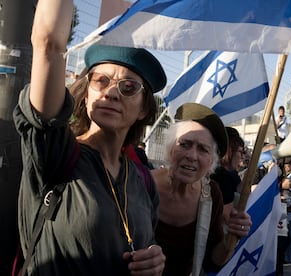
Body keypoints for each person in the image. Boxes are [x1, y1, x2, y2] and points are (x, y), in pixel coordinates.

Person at [13, 0, 166, 274]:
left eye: (128, 86)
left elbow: (147, 242)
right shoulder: (56, 153)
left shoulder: (144, 181)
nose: (111, 92)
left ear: (144, 108)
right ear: (87, 95)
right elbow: (49, 43)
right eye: (101, 80)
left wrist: (155, 260)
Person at [150, 103, 252, 276]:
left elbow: (214, 260)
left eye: (203, 149)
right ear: (170, 148)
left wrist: (231, 238)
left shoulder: (211, 195)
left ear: (211, 162)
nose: (192, 156)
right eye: (185, 144)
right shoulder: (141, 183)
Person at [211, 127, 245, 224]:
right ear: (230, 151)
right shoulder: (222, 177)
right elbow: (228, 216)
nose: (242, 156)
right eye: (241, 152)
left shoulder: (230, 175)